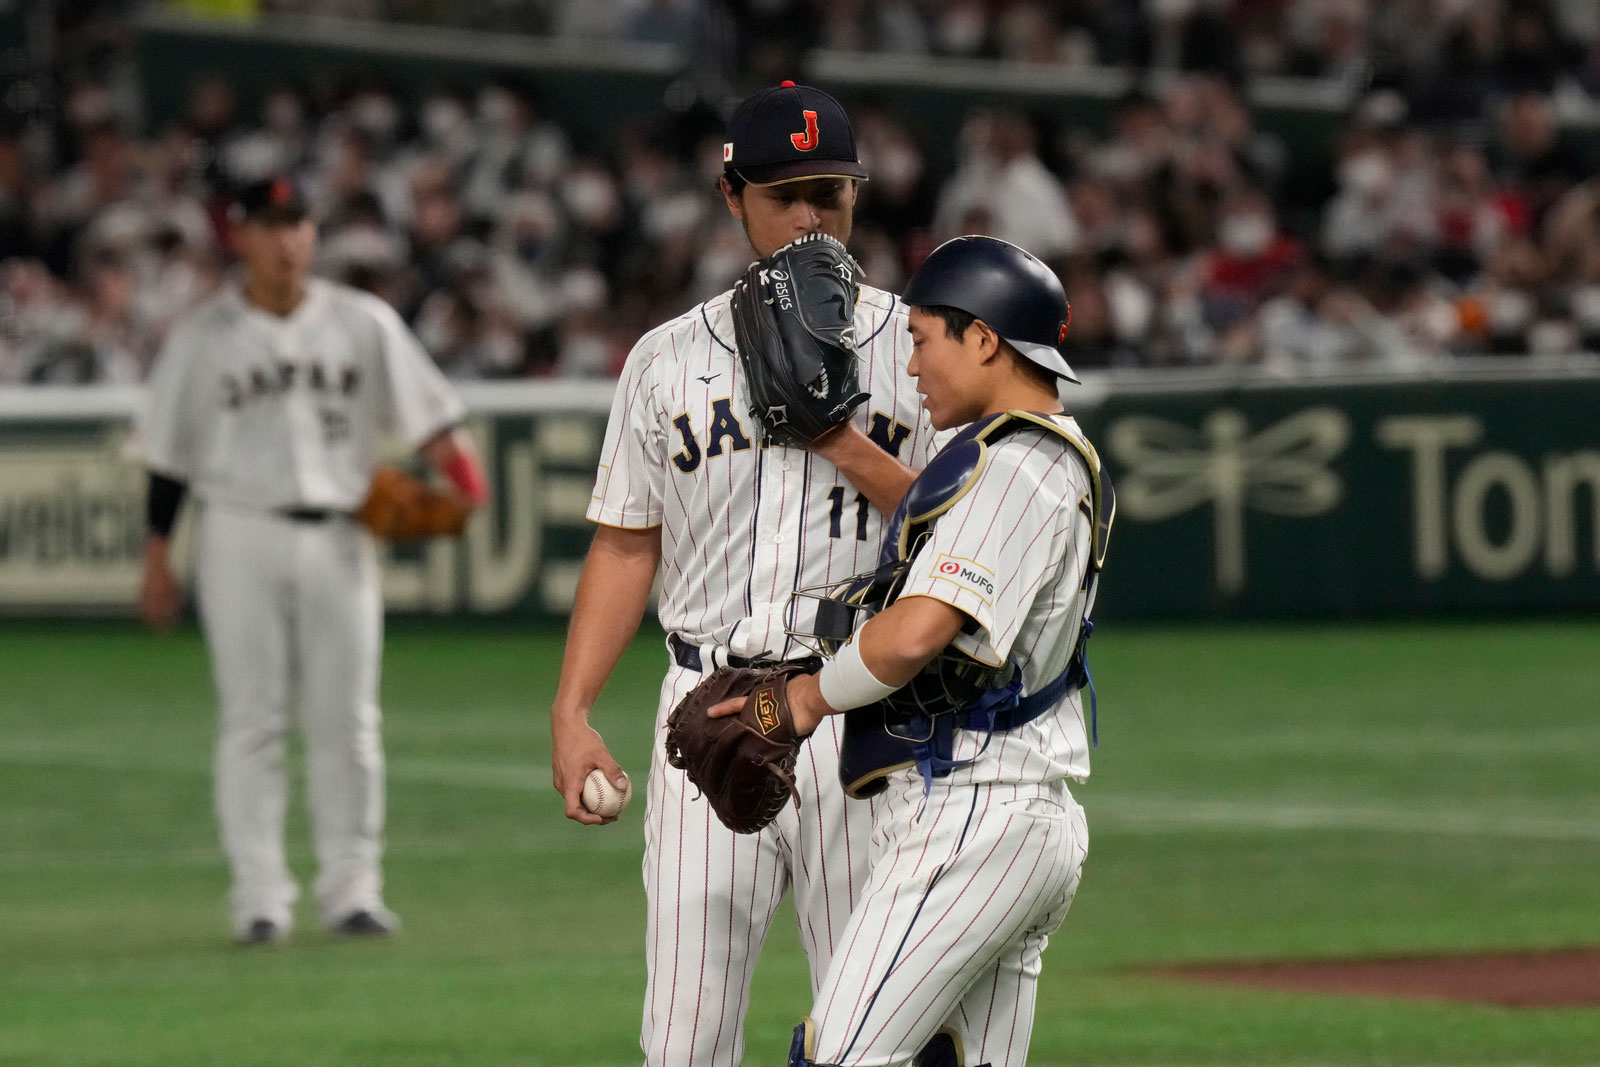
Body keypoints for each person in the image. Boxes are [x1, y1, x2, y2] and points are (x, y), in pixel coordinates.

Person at [548, 82, 939, 1066]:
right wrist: (572, 708)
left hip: (862, 707)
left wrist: (837, 438)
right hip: (708, 704)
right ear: (733, 195)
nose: (809, 218)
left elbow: (970, 529)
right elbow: (625, 540)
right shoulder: (666, 360)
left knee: (875, 1035)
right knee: (683, 1039)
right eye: (782, 195)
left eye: (829, 193)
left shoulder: (918, 350)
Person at [748, 235, 1113, 1067]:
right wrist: (842, 445)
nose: (911, 367)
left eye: (922, 339)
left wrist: (800, 701)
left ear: (982, 338)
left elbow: (915, 634)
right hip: (1014, 807)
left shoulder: (1019, 467)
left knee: (838, 1056)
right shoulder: (1034, 457)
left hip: (980, 808)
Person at [135, 175, 488, 945]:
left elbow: (433, 417)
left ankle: (353, 888)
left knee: (350, 721)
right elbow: (167, 459)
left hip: (340, 532)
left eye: (299, 223)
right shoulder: (203, 336)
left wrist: (468, 484)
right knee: (252, 720)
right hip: (237, 529)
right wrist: (158, 554)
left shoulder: (363, 322)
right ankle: (259, 896)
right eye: (271, 224)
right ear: (241, 237)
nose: (288, 239)